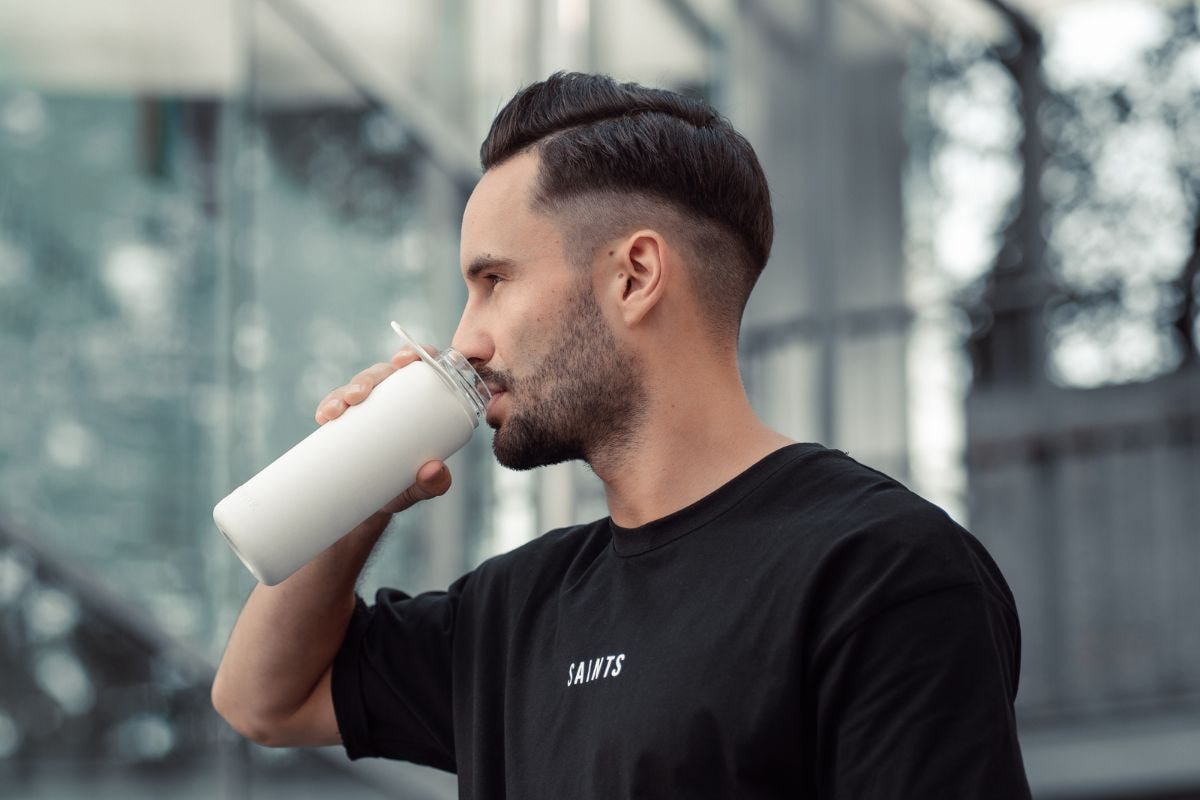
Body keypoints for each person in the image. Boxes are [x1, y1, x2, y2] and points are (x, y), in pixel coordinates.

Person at [212, 72, 1032, 798]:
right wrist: (358, 487)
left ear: (634, 276)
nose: (465, 339)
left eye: (494, 281)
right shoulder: (513, 611)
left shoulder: (878, 569)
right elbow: (263, 699)